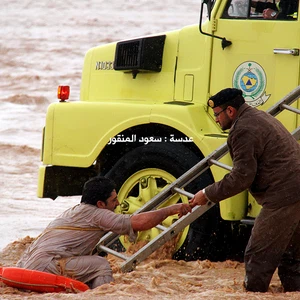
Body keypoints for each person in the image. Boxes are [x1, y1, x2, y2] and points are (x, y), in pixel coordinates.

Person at [189, 88, 300, 292]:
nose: (216, 120)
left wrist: (206, 194)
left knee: (258, 258)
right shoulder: (260, 117)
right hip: (294, 189)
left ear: (230, 111)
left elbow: (241, 177)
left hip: (284, 194)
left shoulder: (242, 129)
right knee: (292, 257)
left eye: (217, 114)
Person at [17, 176, 191, 289]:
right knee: (101, 265)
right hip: (44, 266)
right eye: (114, 200)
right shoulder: (97, 215)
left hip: (26, 264)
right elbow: (139, 222)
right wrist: (171, 210)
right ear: (100, 204)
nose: (117, 203)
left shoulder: (75, 211)